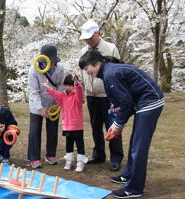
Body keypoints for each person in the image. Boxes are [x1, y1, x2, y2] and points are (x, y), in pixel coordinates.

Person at [79, 49, 164, 198]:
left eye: (87, 68)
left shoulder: (110, 74)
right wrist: (118, 123)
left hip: (150, 102)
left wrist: (118, 124)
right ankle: (129, 174)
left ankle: (134, 188)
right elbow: (124, 102)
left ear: (96, 63)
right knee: (134, 143)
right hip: (141, 103)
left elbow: (126, 102)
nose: (87, 72)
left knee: (139, 148)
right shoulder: (108, 72)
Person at [79, 19, 123, 171]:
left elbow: (118, 70)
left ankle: (116, 157)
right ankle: (98, 154)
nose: (89, 40)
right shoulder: (83, 51)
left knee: (112, 126)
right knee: (95, 126)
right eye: (86, 38)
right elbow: (82, 72)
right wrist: (83, 90)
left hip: (108, 95)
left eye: (91, 37)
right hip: (92, 95)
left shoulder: (110, 49)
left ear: (98, 33)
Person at [28, 44, 65, 168]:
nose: (48, 65)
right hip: (37, 105)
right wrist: (40, 108)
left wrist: (58, 101)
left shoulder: (60, 69)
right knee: (34, 131)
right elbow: (33, 91)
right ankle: (34, 158)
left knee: (53, 130)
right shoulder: (33, 70)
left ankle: (51, 155)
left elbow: (60, 85)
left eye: (51, 62)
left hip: (53, 104)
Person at [42, 74, 88, 172]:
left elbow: (80, 91)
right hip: (67, 126)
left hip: (77, 126)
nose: (67, 87)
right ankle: (69, 160)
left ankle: (80, 162)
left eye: (70, 85)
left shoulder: (77, 97)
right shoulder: (62, 96)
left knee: (80, 144)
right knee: (69, 144)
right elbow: (55, 94)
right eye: (65, 85)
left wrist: (77, 83)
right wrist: (48, 88)